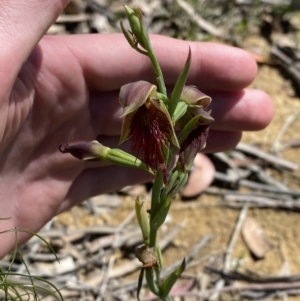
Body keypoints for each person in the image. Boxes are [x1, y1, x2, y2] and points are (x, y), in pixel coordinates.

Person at [0, 0, 273, 258]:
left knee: (164, 159)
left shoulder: (175, 112)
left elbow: (198, 113)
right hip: (158, 133)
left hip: (171, 135)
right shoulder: (148, 111)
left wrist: (190, 123)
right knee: (148, 162)